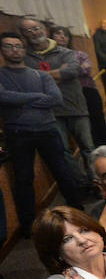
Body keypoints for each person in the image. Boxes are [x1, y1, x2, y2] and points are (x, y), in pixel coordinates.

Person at [0, 31, 89, 232]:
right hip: (18, 133)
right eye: (9, 46)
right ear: (2, 50)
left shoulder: (39, 75)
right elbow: (3, 97)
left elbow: (55, 99)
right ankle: (28, 225)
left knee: (62, 171)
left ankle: (78, 213)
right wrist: (36, 97)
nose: (15, 50)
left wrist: (20, 99)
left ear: (24, 50)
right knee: (24, 178)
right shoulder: (2, 75)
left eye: (19, 46)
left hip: (47, 130)